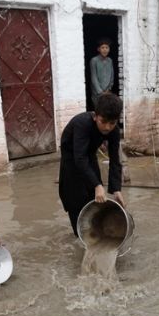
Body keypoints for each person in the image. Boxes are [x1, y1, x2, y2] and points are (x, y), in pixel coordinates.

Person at [58, 93, 126, 236]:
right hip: (71, 157)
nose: (107, 127)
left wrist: (116, 189)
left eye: (112, 123)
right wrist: (97, 185)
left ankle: (96, 229)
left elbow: (115, 159)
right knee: (75, 198)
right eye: (104, 121)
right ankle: (80, 235)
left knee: (96, 196)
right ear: (95, 116)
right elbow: (79, 158)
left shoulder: (113, 130)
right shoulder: (82, 124)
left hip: (89, 155)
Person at [89, 38, 115, 103]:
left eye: (107, 47)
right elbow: (94, 77)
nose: (105, 50)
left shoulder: (110, 60)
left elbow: (112, 76)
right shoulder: (94, 60)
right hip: (97, 92)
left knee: (107, 109)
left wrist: (109, 89)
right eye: (102, 48)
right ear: (98, 49)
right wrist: (100, 92)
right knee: (99, 109)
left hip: (107, 91)